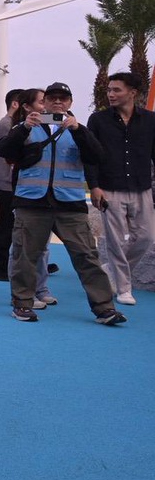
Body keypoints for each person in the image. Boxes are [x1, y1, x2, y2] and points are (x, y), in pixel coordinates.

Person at [0, 82, 125, 325]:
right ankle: (22, 304)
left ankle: (104, 308)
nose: (58, 102)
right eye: (52, 98)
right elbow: (4, 149)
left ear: (70, 103)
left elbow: (98, 156)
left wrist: (78, 129)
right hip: (32, 202)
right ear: (43, 102)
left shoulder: (79, 130)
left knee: (87, 256)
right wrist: (25, 127)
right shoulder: (26, 127)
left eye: (63, 98)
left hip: (70, 203)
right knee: (25, 255)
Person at [87, 71, 155, 306]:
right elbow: (91, 157)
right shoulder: (98, 120)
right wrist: (94, 186)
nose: (111, 94)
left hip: (141, 187)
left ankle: (113, 271)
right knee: (115, 241)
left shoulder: (150, 120)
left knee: (146, 237)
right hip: (110, 187)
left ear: (133, 93)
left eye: (117, 90)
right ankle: (124, 288)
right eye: (109, 90)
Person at [3, 90, 56, 309]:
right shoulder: (19, 129)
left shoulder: (57, 127)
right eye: (42, 102)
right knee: (22, 248)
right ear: (27, 107)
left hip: (52, 198)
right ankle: (22, 292)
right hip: (26, 197)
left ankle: (41, 288)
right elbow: (5, 152)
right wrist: (26, 127)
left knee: (43, 248)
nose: (47, 107)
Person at [0, 89, 26, 281]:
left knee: (13, 225)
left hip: (12, 184)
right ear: (15, 104)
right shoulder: (6, 124)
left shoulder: (13, 124)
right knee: (5, 225)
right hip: (6, 184)